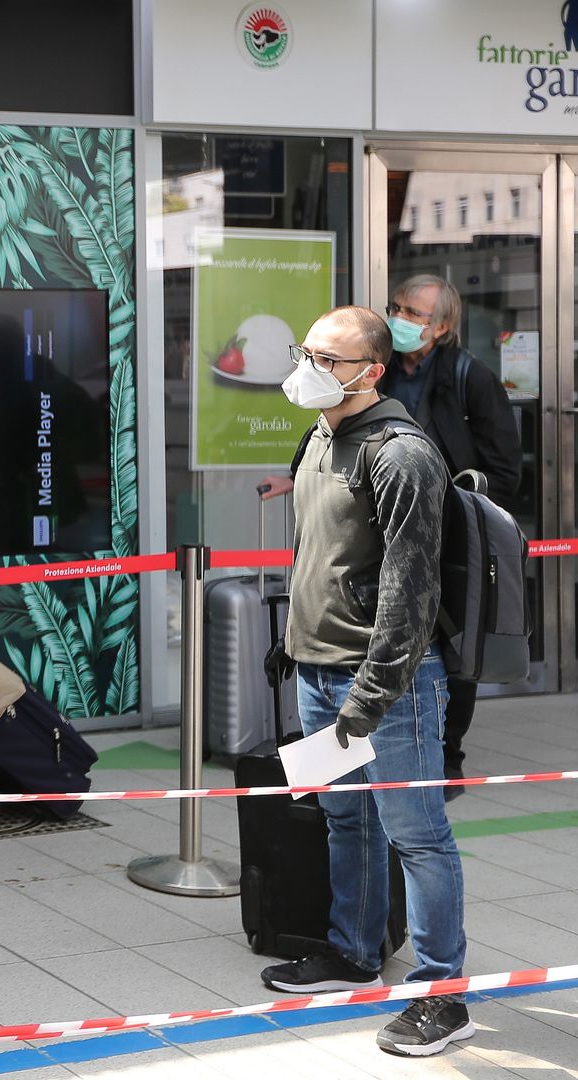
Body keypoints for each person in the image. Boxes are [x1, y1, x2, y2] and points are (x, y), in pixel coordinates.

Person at [257, 306, 470, 1058]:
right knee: (347, 820)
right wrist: (293, 646)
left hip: (387, 686)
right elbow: (320, 553)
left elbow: (410, 593)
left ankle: (443, 995)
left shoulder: (400, 451)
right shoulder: (321, 435)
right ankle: (352, 952)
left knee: (417, 836)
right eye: (305, 350)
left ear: (372, 372)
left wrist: (369, 699)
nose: (309, 366)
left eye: (328, 357)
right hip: (320, 671)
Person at [262, 276, 520, 795]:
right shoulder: (327, 426)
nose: (401, 318)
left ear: (442, 327)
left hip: (423, 544)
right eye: (396, 307)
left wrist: (455, 510)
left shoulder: (465, 380)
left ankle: (446, 760)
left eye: (415, 313)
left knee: (415, 828)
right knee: (347, 820)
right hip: (328, 652)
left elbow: (500, 468)